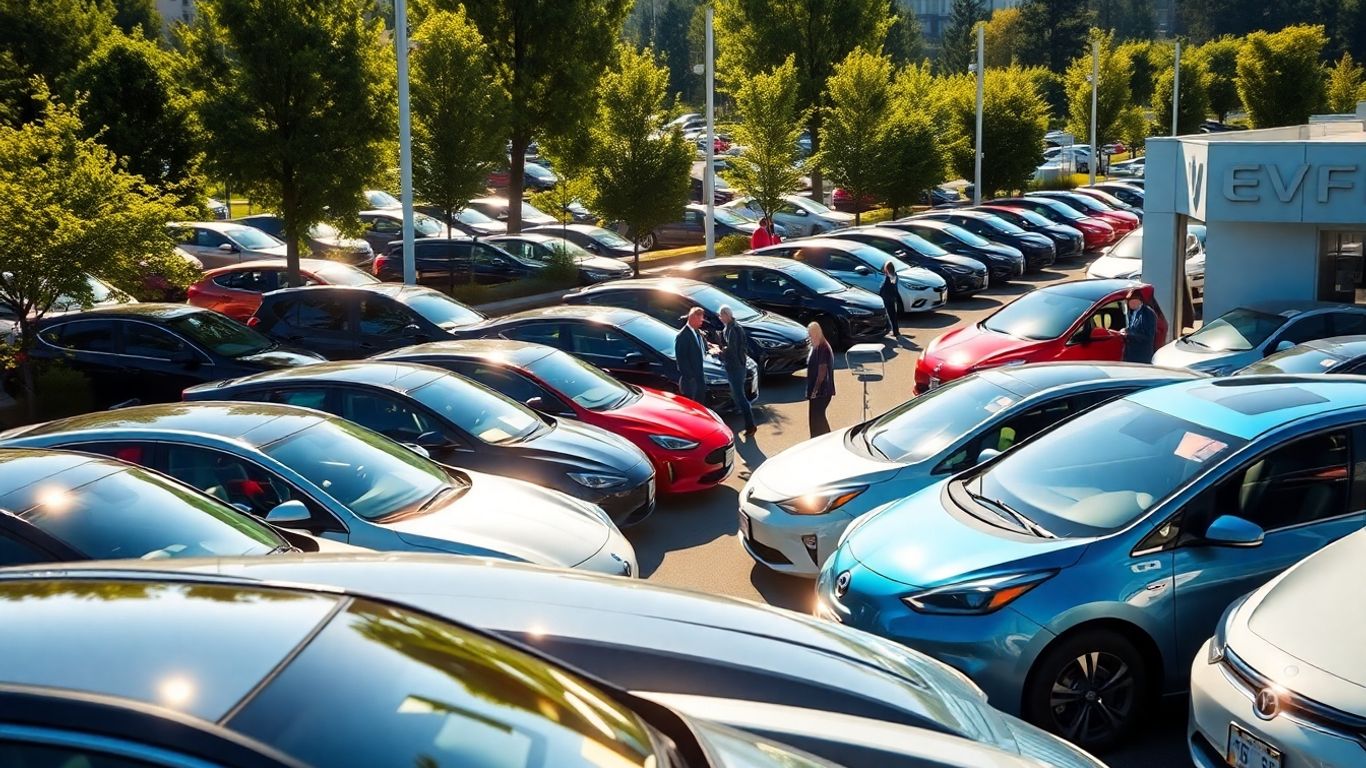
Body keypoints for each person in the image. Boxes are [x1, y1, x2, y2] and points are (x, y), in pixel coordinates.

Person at [717, 305, 756, 435]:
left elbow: (732, 349)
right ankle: (746, 420)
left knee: (740, 396)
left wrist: (720, 352)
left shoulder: (734, 329)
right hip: (735, 365)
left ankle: (750, 425)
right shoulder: (729, 327)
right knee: (736, 394)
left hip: (736, 367)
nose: (720, 318)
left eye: (721, 315)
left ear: (727, 315)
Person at [805, 321, 835, 438]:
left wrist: (815, 390)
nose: (809, 337)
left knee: (818, 417)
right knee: (816, 417)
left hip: (822, 391)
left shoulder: (823, 348)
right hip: (818, 391)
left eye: (811, 334)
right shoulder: (817, 346)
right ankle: (820, 439)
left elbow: (822, 372)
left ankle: (824, 439)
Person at [674, 306, 709, 403]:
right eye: (700, 320)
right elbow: (681, 360)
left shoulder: (697, 332)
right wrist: (691, 377)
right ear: (692, 319)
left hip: (699, 378)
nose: (702, 323)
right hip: (691, 382)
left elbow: (701, 348)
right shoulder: (683, 336)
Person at [1121, 288, 1157, 363]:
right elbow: (1133, 328)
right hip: (1131, 355)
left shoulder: (1147, 314)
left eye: (1130, 300)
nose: (1128, 303)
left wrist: (1128, 335)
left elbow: (1147, 336)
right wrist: (1126, 330)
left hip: (1141, 356)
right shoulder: (1133, 312)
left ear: (1137, 300)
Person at [878, 261, 901, 336]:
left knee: (890, 315)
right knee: (893, 315)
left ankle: (894, 331)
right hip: (891, 297)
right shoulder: (894, 275)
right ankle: (896, 331)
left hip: (887, 298)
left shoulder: (889, 277)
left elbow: (886, 287)